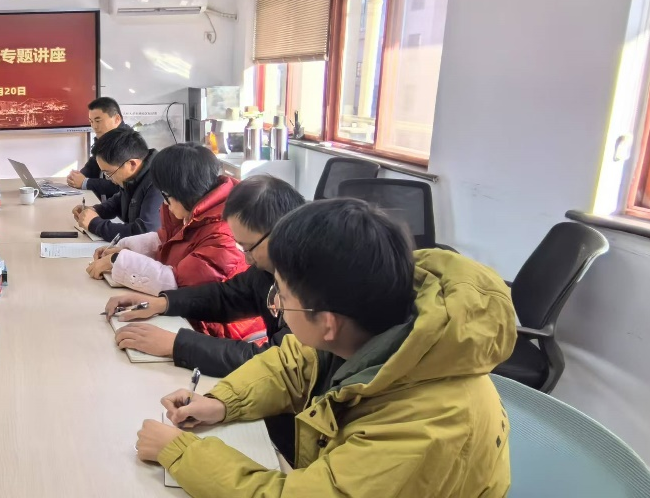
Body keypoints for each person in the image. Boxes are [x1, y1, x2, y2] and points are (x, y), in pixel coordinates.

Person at [134, 199, 515, 496]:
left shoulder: (422, 428)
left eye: (282, 295)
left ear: (328, 323)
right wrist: (222, 402)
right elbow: (293, 363)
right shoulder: (370, 321)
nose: (276, 304)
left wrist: (181, 453)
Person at [105, 175, 307, 377]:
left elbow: (277, 362)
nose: (247, 259)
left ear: (279, 232)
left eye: (248, 248)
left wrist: (176, 345)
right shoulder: (272, 267)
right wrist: (163, 303)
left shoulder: (312, 286)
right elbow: (228, 296)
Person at [86, 143, 257, 340]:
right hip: (183, 314)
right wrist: (123, 248)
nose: (165, 203)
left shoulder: (224, 233)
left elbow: (180, 286)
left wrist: (119, 261)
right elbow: (166, 238)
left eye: (166, 196)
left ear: (183, 192)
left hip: (216, 332)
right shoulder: (192, 209)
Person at [72, 128, 162, 240]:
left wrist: (95, 224)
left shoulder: (159, 180)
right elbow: (118, 202)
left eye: (109, 173)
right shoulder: (134, 175)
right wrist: (96, 210)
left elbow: (145, 233)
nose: (109, 179)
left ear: (132, 164)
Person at [66, 97, 131, 200]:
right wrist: (78, 176)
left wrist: (85, 182)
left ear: (117, 119)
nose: (94, 126)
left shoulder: (128, 143)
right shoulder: (105, 137)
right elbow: (93, 164)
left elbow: (121, 186)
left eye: (98, 121)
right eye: (91, 121)